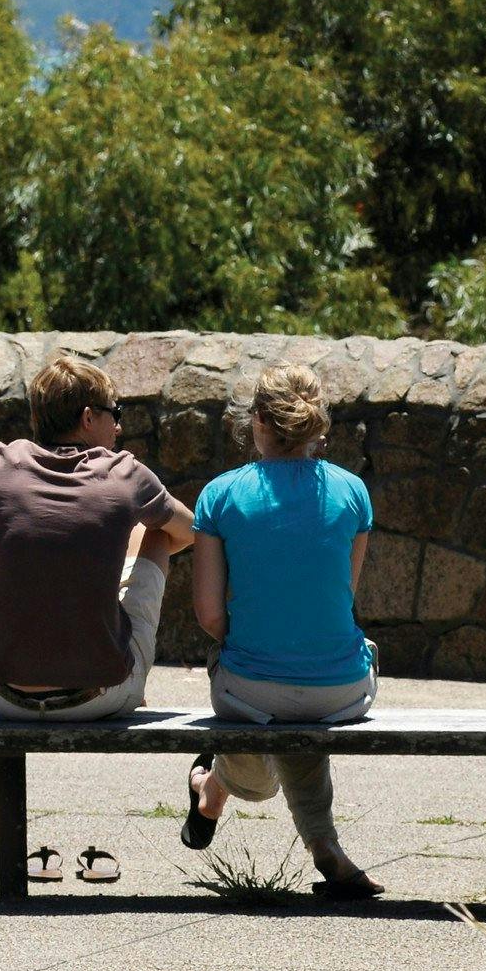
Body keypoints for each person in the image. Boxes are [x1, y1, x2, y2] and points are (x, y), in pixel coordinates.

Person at [183, 364, 385, 898]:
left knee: (263, 721)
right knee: (302, 696)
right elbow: (343, 596)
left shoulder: (220, 495)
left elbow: (209, 616)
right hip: (343, 692)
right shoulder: (353, 492)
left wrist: (255, 639)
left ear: (256, 421)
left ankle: (211, 790)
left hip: (250, 688)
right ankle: (324, 848)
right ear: (318, 424)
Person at [0, 354, 196, 721]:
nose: (119, 428)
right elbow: (189, 531)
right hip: (99, 697)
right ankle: (121, 674)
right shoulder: (124, 472)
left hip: (0, 694)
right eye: (116, 413)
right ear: (88, 417)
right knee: (157, 533)